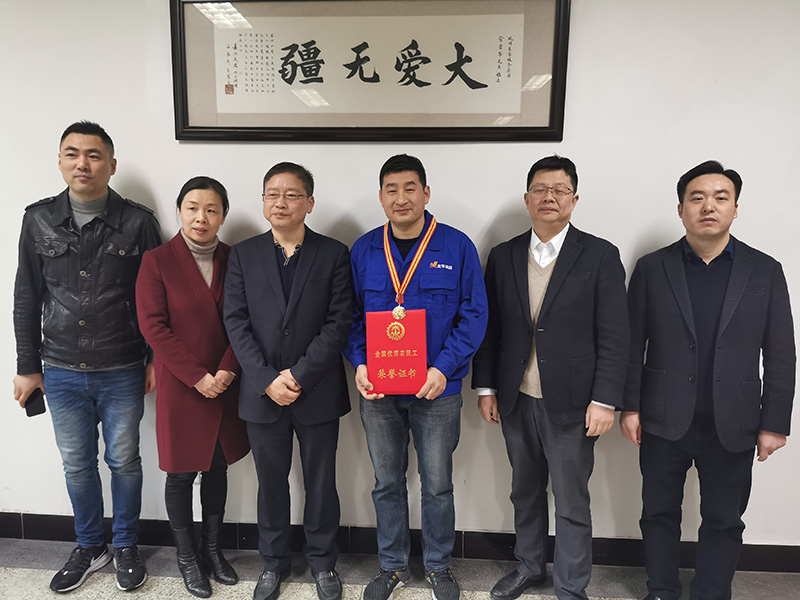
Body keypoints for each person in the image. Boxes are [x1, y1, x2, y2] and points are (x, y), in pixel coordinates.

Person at [621, 160, 795, 600]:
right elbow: (631, 343)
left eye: (720, 198)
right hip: (662, 417)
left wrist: (774, 423)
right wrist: (630, 406)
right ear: (681, 208)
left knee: (724, 518)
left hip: (734, 420)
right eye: (697, 198)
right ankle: (661, 590)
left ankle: (711, 593)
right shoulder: (652, 267)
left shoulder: (765, 270)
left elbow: (780, 352)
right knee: (658, 513)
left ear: (735, 208)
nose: (708, 206)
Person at [12, 121, 161, 592]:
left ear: (111, 165)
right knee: (77, 465)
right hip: (59, 368)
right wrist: (27, 366)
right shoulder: (37, 220)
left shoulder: (138, 222)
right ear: (60, 161)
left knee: (124, 461)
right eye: (72, 153)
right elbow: (26, 296)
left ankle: (126, 544)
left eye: (94, 155)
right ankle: (90, 545)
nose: (83, 163)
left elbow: (156, 298)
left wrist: (156, 359)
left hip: (123, 366)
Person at [472, 155, 629, 600]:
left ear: (574, 200)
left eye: (560, 190)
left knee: (571, 498)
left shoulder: (600, 255)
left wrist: (605, 400)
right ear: (527, 199)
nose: (549, 197)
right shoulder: (503, 256)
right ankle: (529, 567)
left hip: (574, 403)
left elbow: (615, 335)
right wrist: (486, 387)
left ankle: (571, 586)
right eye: (540, 189)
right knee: (524, 490)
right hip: (516, 396)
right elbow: (491, 329)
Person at [345, 154, 488, 600]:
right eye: (392, 189)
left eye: (410, 188)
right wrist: (360, 363)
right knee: (386, 483)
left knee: (437, 484)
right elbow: (349, 316)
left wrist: (443, 368)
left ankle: (438, 567)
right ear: (381, 196)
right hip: (379, 391)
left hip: (437, 392)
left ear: (426, 193)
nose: (401, 197)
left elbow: (474, 315)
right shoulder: (364, 250)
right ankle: (391, 567)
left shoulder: (457, 246)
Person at [223, 162, 351, 600]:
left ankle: (323, 563)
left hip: (317, 390)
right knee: (271, 484)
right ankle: (273, 564)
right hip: (262, 395)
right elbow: (235, 321)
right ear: (263, 202)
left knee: (321, 483)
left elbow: (339, 322)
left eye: (292, 195)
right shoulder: (243, 254)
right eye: (272, 194)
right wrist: (265, 379)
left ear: (309, 203)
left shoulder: (333, 253)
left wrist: (297, 374)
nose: (281, 202)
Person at [136, 176, 251, 598]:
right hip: (182, 383)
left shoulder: (235, 259)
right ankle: (187, 558)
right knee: (181, 472)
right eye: (192, 208)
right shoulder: (157, 261)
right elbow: (154, 327)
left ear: (223, 216)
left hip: (225, 380)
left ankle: (212, 551)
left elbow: (246, 321)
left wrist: (227, 371)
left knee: (217, 467)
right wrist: (198, 376)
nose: (201, 217)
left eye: (211, 210)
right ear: (180, 211)